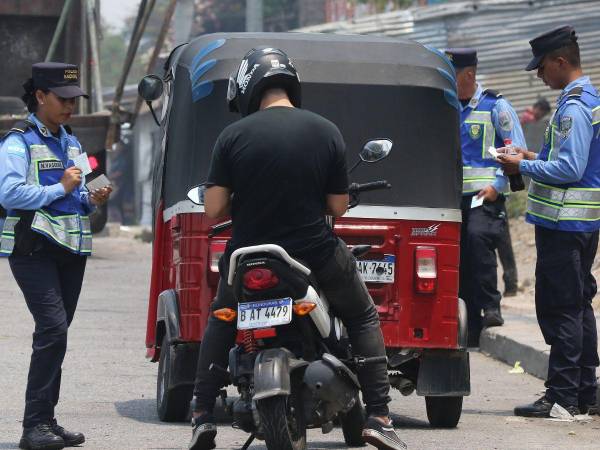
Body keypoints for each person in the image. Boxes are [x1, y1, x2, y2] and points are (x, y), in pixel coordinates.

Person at [187, 47, 406, 450]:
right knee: (361, 316)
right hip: (313, 254)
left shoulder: (231, 136)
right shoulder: (326, 131)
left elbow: (213, 208)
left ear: (251, 89)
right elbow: (338, 205)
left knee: (221, 320)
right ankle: (378, 414)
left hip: (246, 258)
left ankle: (201, 413)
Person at [0, 62, 112, 449]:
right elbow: (9, 194)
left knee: (57, 337)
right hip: (32, 250)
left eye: (74, 99)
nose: (70, 106)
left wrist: (92, 197)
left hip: (71, 250)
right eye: (62, 99)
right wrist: (60, 188)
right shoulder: (18, 142)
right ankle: (33, 427)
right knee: (52, 330)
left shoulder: (71, 142)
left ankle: (47, 420)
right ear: (41, 96)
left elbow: (83, 195)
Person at [498, 25, 599, 418]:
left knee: (561, 308)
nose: (540, 76)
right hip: (580, 224)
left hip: (563, 223)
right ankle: (584, 394)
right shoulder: (587, 100)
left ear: (561, 61)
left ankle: (562, 398)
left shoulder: (574, 106)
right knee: (578, 305)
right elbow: (575, 159)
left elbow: (571, 167)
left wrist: (525, 164)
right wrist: (532, 153)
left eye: (542, 68)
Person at [444, 48, 527, 346]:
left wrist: (498, 185)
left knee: (479, 241)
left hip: (486, 196)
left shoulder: (496, 106)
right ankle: (470, 323)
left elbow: (515, 149)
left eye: (450, 75)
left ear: (468, 75)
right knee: (459, 254)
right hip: (453, 199)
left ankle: (491, 305)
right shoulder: (446, 105)